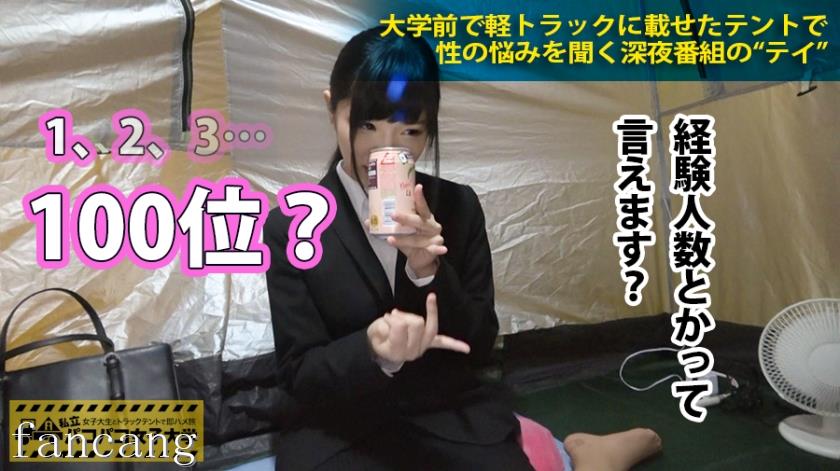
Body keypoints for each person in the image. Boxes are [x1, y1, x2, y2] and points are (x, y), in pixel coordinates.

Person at [263, 26, 662, 471]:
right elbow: (298, 373)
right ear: (330, 108)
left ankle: (591, 454)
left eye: (409, 130)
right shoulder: (292, 225)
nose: (384, 150)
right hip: (340, 422)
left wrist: (429, 271)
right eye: (365, 125)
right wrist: (371, 349)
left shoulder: (457, 205)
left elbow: (478, 343)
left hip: (444, 411)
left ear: (429, 129)